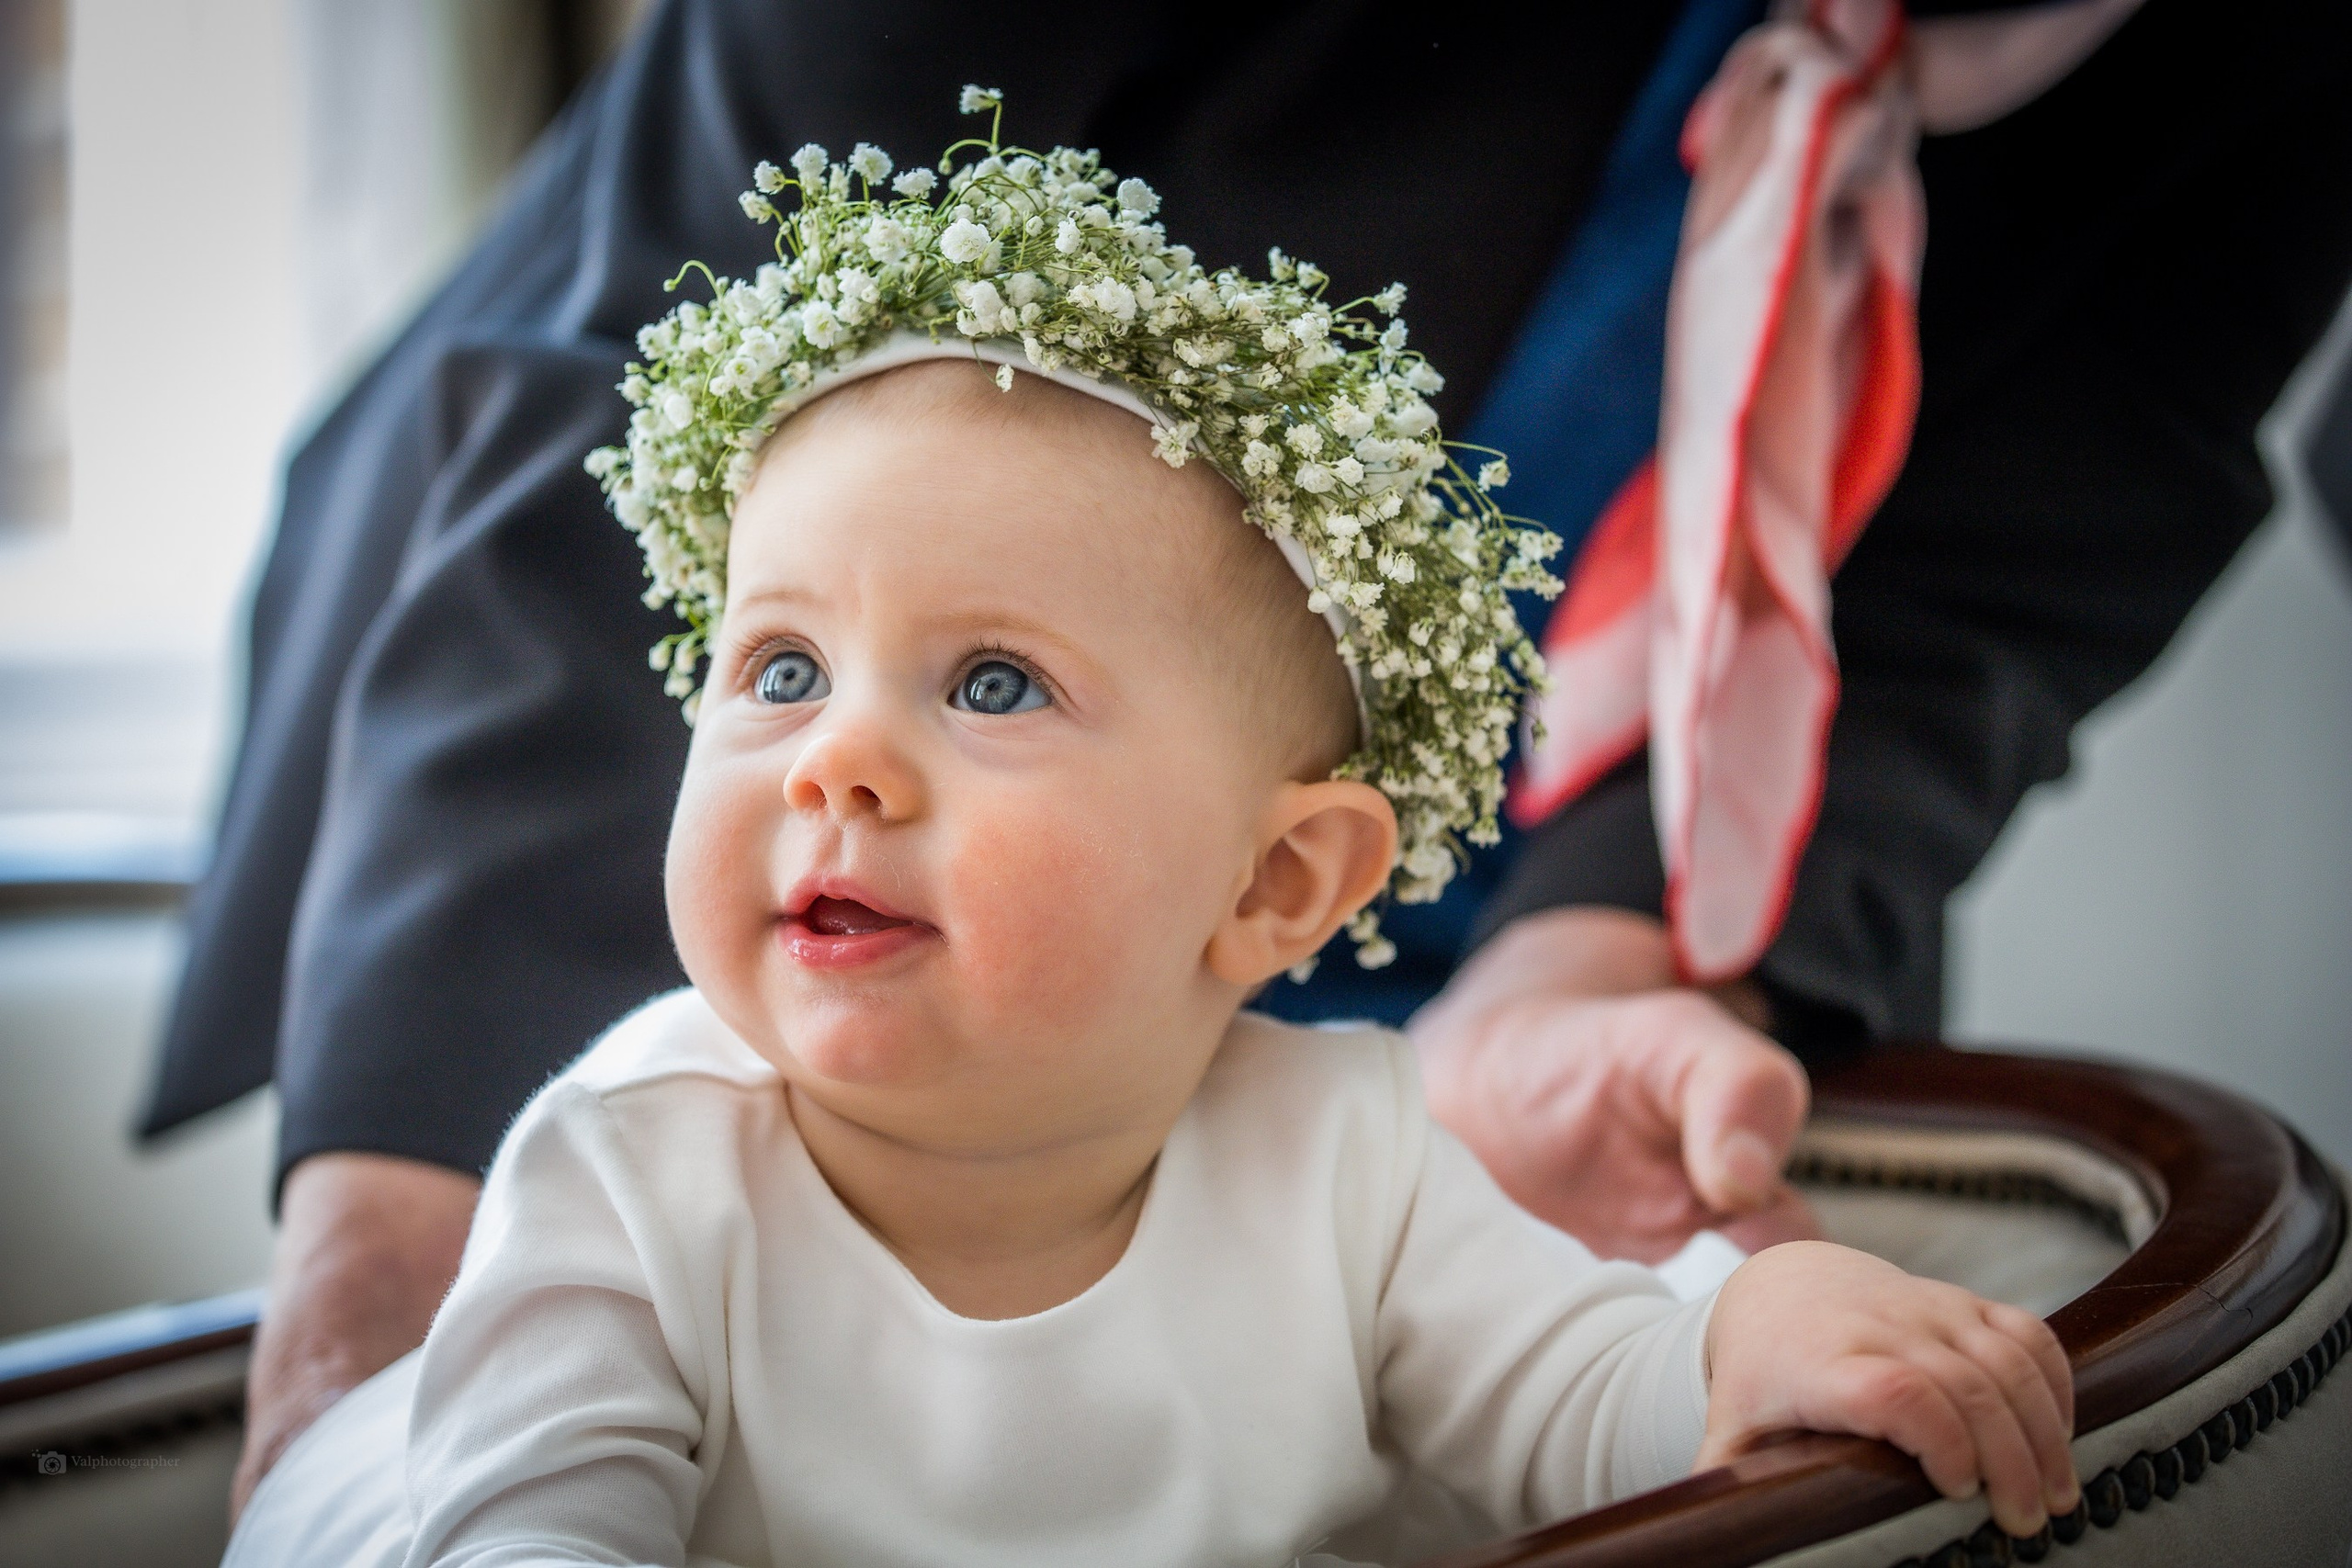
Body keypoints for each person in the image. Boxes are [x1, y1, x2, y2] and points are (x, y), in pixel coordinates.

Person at [137, 0, 2352, 1517]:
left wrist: (1617, 1014)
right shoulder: (623, 1169)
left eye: (969, 702)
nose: (840, 769)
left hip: (1422, 856)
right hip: (599, 676)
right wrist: (400, 1276)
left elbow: (1994, 539)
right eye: (779, 693)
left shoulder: (1353, 1152)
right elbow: (662, 336)